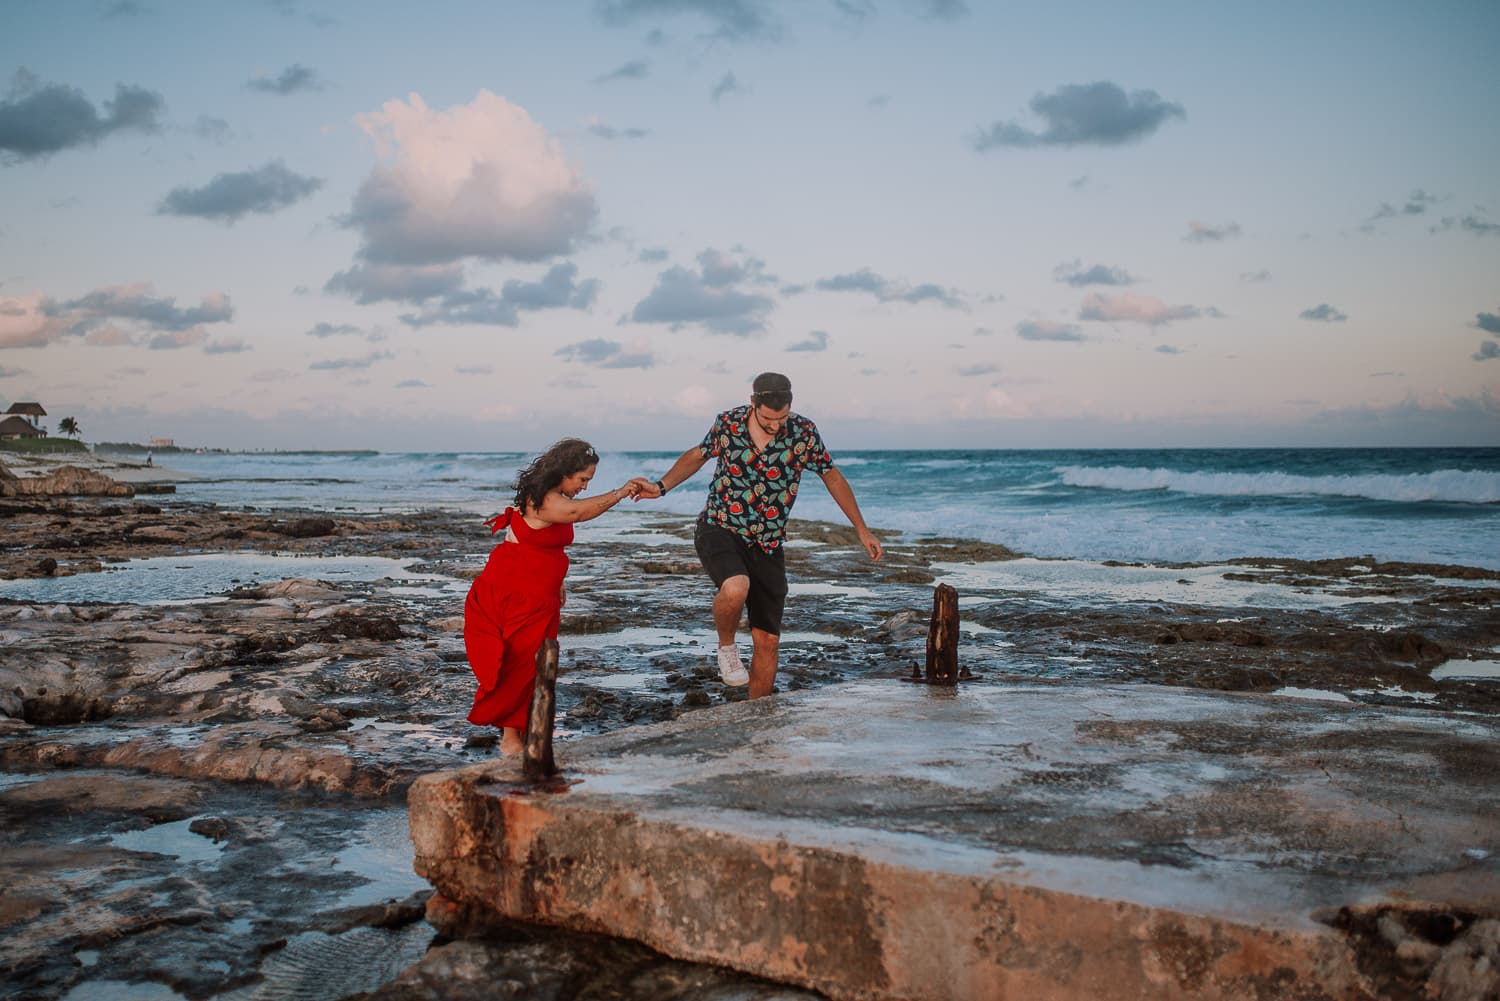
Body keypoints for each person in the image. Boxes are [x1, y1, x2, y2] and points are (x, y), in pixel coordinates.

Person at [637, 373, 881, 699]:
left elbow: (832, 477)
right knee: (736, 586)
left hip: (768, 543)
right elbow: (699, 454)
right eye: (768, 418)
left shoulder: (803, 432)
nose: (775, 425)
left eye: (781, 418)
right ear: (753, 403)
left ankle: (758, 718)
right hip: (720, 527)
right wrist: (660, 487)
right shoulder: (729, 423)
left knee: (767, 641)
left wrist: (861, 530)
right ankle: (726, 648)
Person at [464, 439, 646, 753]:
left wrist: (557, 580)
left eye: (589, 481)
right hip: (519, 593)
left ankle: (523, 734)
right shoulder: (545, 499)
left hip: (537, 593)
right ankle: (511, 740)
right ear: (564, 472)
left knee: (533, 664)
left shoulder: (551, 494)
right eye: (583, 479)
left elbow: (533, 542)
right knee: (521, 664)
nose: (585, 487)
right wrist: (620, 492)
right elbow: (576, 513)